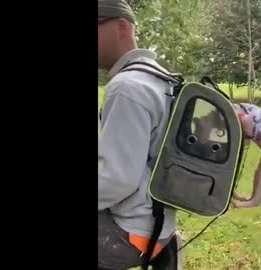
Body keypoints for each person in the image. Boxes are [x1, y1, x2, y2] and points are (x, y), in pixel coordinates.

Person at [98, 1, 182, 269]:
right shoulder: (163, 78)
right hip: (160, 224)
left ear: (121, 26)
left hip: (129, 233)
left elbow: (116, 180)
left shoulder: (126, 87)